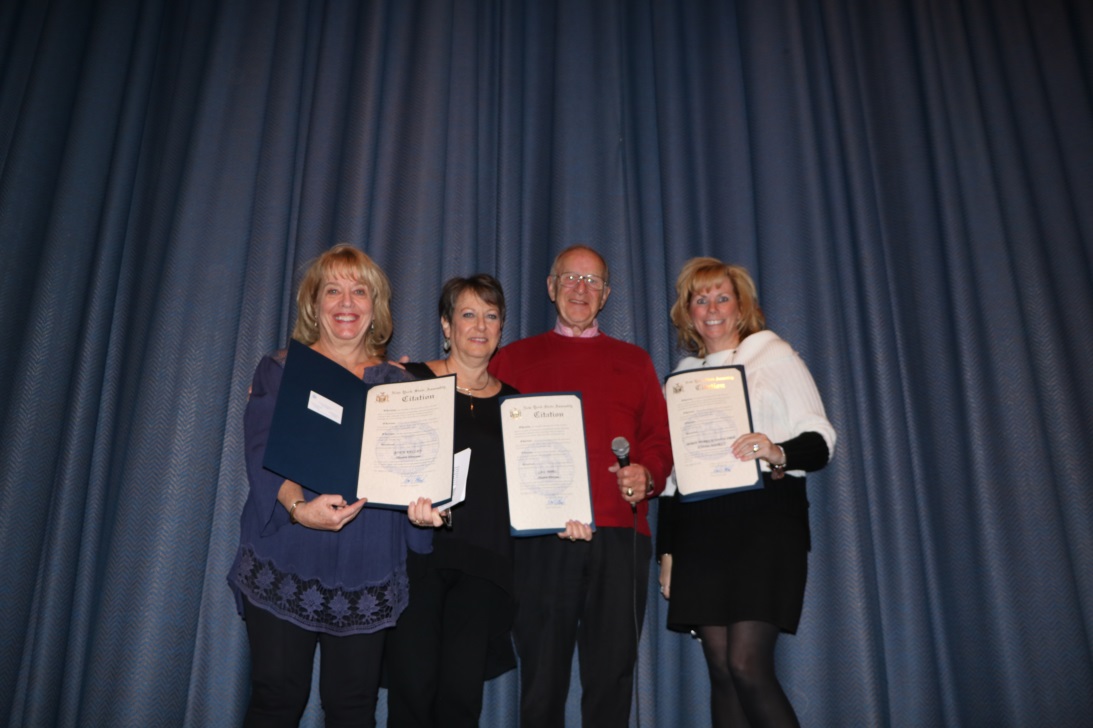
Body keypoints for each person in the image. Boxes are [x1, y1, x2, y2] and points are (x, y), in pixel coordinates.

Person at [227, 244, 430, 727]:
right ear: (313, 304)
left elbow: (416, 474)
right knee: (277, 698)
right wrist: (299, 508)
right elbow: (260, 448)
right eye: (333, 289)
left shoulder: (400, 386)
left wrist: (425, 509)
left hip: (369, 561)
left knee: (352, 711)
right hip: (289, 552)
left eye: (360, 291)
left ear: (375, 307)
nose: (346, 302)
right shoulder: (279, 370)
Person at [488, 244, 673, 728]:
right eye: (570, 278)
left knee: (612, 678)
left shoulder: (635, 362)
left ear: (606, 295)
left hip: (619, 532)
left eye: (592, 282)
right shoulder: (512, 360)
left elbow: (659, 439)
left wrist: (647, 475)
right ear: (551, 287)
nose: (580, 289)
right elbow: (482, 435)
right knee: (542, 681)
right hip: (540, 538)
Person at [656, 257, 836, 728]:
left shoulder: (772, 354)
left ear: (741, 307)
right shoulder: (681, 376)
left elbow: (821, 442)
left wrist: (776, 450)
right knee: (720, 669)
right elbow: (676, 476)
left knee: (746, 665)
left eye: (722, 297)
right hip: (700, 533)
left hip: (765, 524)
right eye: (700, 299)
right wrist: (668, 553)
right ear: (687, 312)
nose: (711, 308)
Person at [384, 274, 519, 727]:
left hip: (484, 566)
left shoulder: (516, 406)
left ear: (501, 328)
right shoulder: (409, 382)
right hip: (417, 560)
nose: (480, 325)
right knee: (412, 690)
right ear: (446, 325)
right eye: (467, 314)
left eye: (491, 315)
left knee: (461, 702)